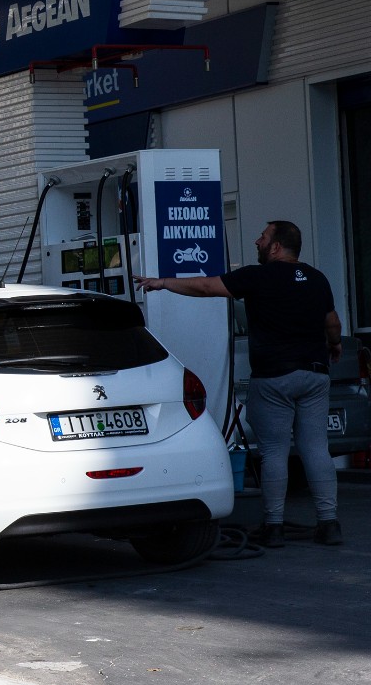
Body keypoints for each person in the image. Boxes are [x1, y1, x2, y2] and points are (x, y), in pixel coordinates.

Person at [134, 220, 343, 547]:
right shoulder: (317, 278)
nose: (257, 241)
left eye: (263, 236)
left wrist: (162, 282)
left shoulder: (258, 276)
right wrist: (335, 344)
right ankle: (329, 524)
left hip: (274, 378)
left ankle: (274, 527)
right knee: (316, 447)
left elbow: (206, 287)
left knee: (274, 451)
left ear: (276, 246)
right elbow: (332, 322)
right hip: (315, 375)